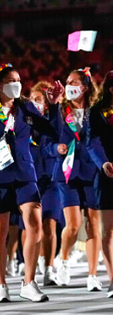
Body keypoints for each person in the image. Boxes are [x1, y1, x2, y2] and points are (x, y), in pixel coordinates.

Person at [0, 64, 62, 303]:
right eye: (12, 80)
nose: (17, 84)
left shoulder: (26, 107)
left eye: (19, 79)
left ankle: (29, 282)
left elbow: (52, 132)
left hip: (24, 174)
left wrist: (55, 106)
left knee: (34, 224)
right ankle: (1, 285)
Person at [54, 68, 112, 291]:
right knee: (73, 225)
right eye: (67, 81)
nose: (69, 85)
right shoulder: (58, 111)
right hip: (66, 173)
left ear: (85, 88)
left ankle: (92, 275)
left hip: (92, 172)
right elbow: (46, 139)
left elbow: (97, 141)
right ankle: (64, 259)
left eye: (73, 82)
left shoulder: (95, 112)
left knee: (93, 224)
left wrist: (103, 163)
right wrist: (55, 148)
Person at [28, 81, 63, 286]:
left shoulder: (53, 117)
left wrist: (55, 105)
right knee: (32, 227)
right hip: (30, 179)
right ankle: (32, 265)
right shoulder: (24, 119)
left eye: (40, 100)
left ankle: (49, 270)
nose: (36, 103)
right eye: (33, 99)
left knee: (49, 224)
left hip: (50, 178)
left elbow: (57, 134)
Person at [90, 70, 113, 297]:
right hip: (107, 176)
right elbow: (92, 142)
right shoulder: (97, 112)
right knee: (107, 232)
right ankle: (112, 279)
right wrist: (103, 163)